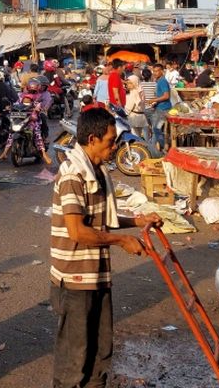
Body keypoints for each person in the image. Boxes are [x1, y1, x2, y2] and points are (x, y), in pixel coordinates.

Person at [51, 106, 161, 388]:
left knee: (101, 351)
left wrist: (137, 220)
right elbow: (78, 231)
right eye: (110, 141)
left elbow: (103, 219)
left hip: (97, 275)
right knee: (74, 358)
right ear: (92, 140)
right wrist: (122, 240)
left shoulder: (97, 171)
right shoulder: (73, 176)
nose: (114, 148)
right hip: (76, 278)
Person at [144, 64, 172, 150]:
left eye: (157, 71)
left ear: (162, 71)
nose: (155, 73)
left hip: (163, 109)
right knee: (157, 129)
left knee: (156, 129)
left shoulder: (162, 81)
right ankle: (161, 147)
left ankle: (165, 149)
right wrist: (155, 102)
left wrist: (153, 100)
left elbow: (166, 96)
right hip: (160, 108)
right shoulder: (159, 81)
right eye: (154, 71)